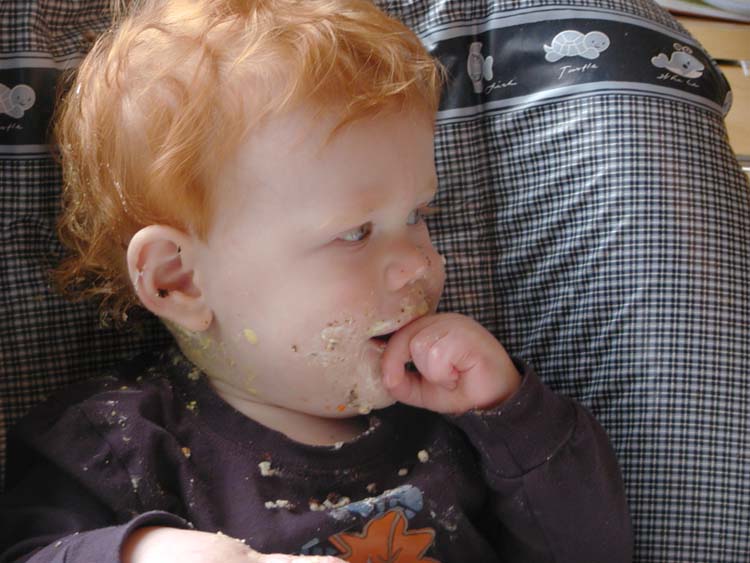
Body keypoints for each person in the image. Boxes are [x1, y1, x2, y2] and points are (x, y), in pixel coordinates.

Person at [0, 0, 632, 561]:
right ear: (179, 278)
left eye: (418, 215)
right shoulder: (116, 446)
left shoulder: (459, 417)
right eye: (355, 233)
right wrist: (147, 554)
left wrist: (510, 412)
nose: (418, 263)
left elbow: (591, 549)